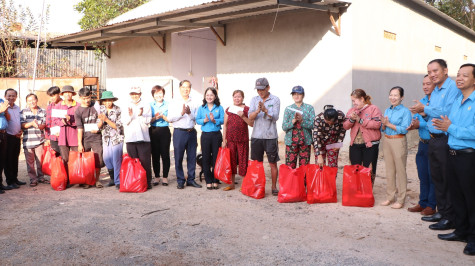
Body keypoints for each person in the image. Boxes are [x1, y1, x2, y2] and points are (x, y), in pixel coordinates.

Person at [410, 59, 461, 230]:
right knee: (437, 178)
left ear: (445, 70)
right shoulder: (437, 90)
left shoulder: (452, 88)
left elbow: (446, 111)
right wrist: (424, 112)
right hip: (433, 138)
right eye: (429, 71)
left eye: (435, 71)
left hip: (445, 139)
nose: (432, 75)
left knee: (446, 178)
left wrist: (425, 108)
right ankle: (442, 212)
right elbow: (433, 115)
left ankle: (450, 216)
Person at [434, 63, 475, 256]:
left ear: (474, 79)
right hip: (453, 154)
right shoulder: (458, 98)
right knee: (457, 196)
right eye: (458, 75)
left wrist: (450, 128)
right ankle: (461, 231)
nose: (459, 78)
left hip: (469, 156)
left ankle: (474, 238)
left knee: (471, 198)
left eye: (465, 75)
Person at [406, 75, 437, 216]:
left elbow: (436, 121)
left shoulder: (438, 102)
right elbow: (416, 119)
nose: (425, 86)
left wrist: (421, 122)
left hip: (435, 143)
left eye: (428, 83)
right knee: (422, 174)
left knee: (433, 176)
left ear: (435, 85)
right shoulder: (422, 101)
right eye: (423, 84)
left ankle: (431, 205)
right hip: (423, 143)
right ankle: (422, 202)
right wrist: (413, 124)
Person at [380, 86, 412, 209]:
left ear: (401, 97)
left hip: (398, 140)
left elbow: (404, 129)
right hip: (387, 140)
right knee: (389, 170)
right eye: (391, 95)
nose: (392, 98)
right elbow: (384, 128)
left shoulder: (405, 112)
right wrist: (383, 125)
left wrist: (388, 124)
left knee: (400, 171)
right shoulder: (388, 110)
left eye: (396, 95)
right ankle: (390, 197)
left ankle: (401, 199)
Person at [248, 77, 280, 196]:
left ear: (268, 88)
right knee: (257, 164)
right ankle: (258, 186)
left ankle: (273, 187)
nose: (260, 92)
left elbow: (276, 117)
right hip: (256, 135)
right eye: (258, 89)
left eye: (262, 89)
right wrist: (257, 111)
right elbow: (250, 118)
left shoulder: (275, 99)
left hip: (270, 136)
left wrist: (266, 110)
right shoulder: (254, 100)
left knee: (272, 163)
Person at [343, 89, 382, 185]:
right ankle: (357, 193)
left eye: (354, 100)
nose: (353, 103)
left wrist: (360, 120)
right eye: (352, 101)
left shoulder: (373, 108)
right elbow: (345, 126)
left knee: (369, 170)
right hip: (355, 145)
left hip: (370, 145)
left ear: (362, 99)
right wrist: (352, 119)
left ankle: (367, 194)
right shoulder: (351, 111)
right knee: (355, 169)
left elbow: (377, 124)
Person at [167, 80, 202, 189]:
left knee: (192, 157)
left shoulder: (194, 102)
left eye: (188, 87)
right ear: (180, 88)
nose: (186, 89)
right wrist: (181, 113)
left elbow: (196, 119)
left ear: (190, 89)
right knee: (178, 157)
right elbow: (170, 118)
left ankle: (191, 179)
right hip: (179, 132)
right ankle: (180, 180)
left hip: (191, 132)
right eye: (183, 87)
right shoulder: (173, 102)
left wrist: (189, 113)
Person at [222, 90, 253, 191]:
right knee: (231, 161)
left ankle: (243, 184)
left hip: (242, 139)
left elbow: (251, 123)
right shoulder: (229, 109)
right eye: (235, 97)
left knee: (243, 161)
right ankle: (231, 184)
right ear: (232, 98)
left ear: (243, 98)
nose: (237, 98)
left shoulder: (247, 109)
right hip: (230, 140)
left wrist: (243, 116)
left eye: (239, 97)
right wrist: (224, 140)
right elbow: (225, 125)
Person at [123, 87, 153, 190]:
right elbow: (124, 122)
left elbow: (148, 120)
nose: (134, 96)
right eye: (132, 94)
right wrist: (131, 116)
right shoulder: (126, 105)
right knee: (132, 161)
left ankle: (147, 182)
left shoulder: (146, 105)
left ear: (140, 94)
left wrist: (141, 115)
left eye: (136, 94)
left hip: (143, 138)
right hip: (131, 138)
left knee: (145, 161)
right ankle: (134, 181)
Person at [75, 87, 104, 188]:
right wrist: (79, 143)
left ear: (90, 96)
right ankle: (88, 180)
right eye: (84, 98)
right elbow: (79, 128)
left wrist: (98, 128)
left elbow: (101, 119)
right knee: (86, 161)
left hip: (96, 137)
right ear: (80, 98)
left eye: (88, 98)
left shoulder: (96, 106)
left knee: (98, 159)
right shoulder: (78, 111)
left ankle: (97, 180)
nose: (87, 100)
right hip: (85, 138)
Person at [196, 87, 224, 190]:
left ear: (215, 96)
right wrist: (204, 120)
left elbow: (223, 120)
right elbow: (197, 119)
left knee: (216, 158)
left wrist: (214, 120)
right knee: (206, 157)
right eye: (207, 95)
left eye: (211, 95)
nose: (209, 97)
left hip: (216, 135)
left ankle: (216, 179)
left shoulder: (219, 107)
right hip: (206, 135)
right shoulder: (201, 108)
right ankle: (208, 180)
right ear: (205, 96)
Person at [282, 86, 315, 169]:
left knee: (304, 168)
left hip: (305, 142)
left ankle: (302, 182)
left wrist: (302, 121)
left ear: (303, 95)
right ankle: (291, 182)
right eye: (294, 94)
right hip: (291, 142)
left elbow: (313, 125)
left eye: (299, 94)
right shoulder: (288, 109)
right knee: (290, 167)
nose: (296, 96)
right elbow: (284, 127)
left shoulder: (309, 108)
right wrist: (292, 122)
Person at [20, 93, 48, 187]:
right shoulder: (23, 112)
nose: (32, 102)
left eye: (33, 100)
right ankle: (33, 179)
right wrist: (31, 123)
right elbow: (22, 125)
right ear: (27, 102)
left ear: (37, 100)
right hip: (28, 141)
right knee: (30, 163)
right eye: (29, 100)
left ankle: (41, 177)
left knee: (40, 161)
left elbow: (45, 124)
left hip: (40, 140)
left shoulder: (43, 111)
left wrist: (39, 126)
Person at [98, 91, 123, 189]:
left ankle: (118, 181)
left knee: (116, 160)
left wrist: (107, 120)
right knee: (106, 159)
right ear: (103, 101)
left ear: (112, 100)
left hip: (116, 138)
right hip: (106, 138)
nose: (108, 102)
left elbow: (118, 127)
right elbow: (99, 126)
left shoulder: (118, 110)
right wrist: (101, 120)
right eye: (106, 100)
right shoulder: (101, 109)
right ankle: (112, 178)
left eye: (110, 100)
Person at [4, 88, 25, 189]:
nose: (11, 97)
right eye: (9, 95)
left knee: (15, 159)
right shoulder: (3, 108)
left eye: (13, 96)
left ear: (16, 97)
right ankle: (10, 181)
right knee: (8, 159)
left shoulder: (17, 108)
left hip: (17, 137)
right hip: (7, 137)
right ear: (5, 97)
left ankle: (15, 179)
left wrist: (20, 131)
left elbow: (18, 121)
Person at [149, 85, 171, 186]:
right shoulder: (150, 105)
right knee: (155, 154)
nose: (159, 95)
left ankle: (165, 177)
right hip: (153, 130)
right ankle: (157, 176)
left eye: (160, 93)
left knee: (165, 154)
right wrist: (155, 118)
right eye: (156, 93)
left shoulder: (168, 104)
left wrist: (163, 117)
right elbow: (148, 120)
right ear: (153, 95)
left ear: (163, 94)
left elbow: (171, 119)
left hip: (164, 130)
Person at [58, 85, 79, 185]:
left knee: (76, 158)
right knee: (65, 159)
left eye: (69, 92)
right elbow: (54, 120)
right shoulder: (58, 106)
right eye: (65, 93)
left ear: (73, 94)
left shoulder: (78, 106)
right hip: (62, 137)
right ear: (62, 94)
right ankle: (67, 179)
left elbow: (81, 121)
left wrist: (71, 121)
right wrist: (62, 121)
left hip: (75, 135)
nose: (67, 94)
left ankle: (77, 178)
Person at [45, 86, 63, 156]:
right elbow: (48, 122)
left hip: (63, 136)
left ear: (59, 94)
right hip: (53, 137)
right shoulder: (50, 106)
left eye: (54, 95)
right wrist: (47, 138)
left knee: (64, 157)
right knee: (55, 158)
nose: (52, 98)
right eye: (50, 96)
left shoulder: (64, 105)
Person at [0, 97, 10, 193]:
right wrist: (1, 110)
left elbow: (8, 118)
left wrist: (5, 111)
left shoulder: (1, 101)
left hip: (3, 133)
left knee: (1, 160)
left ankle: (0, 184)